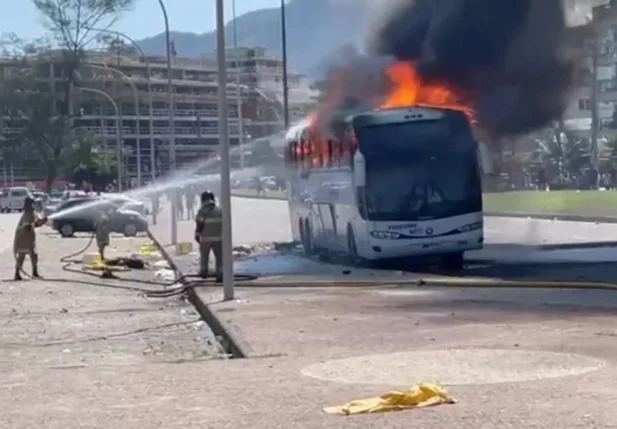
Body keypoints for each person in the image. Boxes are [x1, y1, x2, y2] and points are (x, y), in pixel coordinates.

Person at [13, 196, 47, 281]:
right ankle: (18, 274)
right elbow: (27, 226)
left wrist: (41, 222)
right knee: (22, 256)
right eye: (33, 203)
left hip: (28, 237)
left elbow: (33, 224)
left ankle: (34, 272)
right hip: (23, 237)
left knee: (33, 255)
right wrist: (38, 222)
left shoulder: (32, 212)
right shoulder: (27, 213)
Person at [194, 190, 223, 279]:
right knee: (220, 258)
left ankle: (203, 273)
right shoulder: (219, 210)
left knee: (204, 258)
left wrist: (197, 235)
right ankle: (220, 274)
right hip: (218, 238)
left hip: (205, 239)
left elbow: (199, 224)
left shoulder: (202, 211)